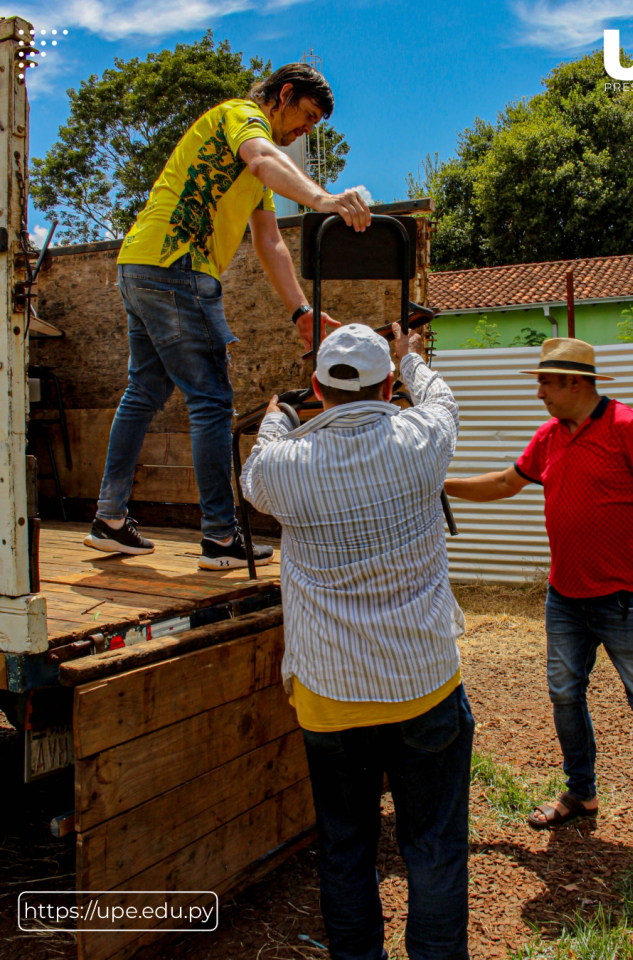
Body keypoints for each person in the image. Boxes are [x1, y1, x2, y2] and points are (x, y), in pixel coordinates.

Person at [240, 322, 474, 960]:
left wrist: (275, 416)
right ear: (389, 386)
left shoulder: (285, 466)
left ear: (316, 387)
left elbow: (253, 472)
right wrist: (413, 357)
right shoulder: (423, 438)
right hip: (424, 684)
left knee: (346, 848)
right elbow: (442, 399)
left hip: (330, 697)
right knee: (434, 847)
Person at [85, 62, 371, 569]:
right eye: (305, 117)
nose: (305, 131)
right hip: (178, 269)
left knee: (144, 391)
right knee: (212, 400)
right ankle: (220, 537)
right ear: (283, 95)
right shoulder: (243, 119)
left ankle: (109, 520)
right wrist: (324, 199)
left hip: (139, 265)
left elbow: (270, 242)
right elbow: (262, 156)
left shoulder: (258, 164)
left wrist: (301, 311)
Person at [444, 338, 633, 853]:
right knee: (564, 696)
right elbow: (506, 483)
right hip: (565, 597)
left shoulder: (627, 427)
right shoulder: (549, 436)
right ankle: (581, 793)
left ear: (575, 383)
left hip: (625, 598)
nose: (539, 393)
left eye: (546, 382)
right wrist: (438, 483)